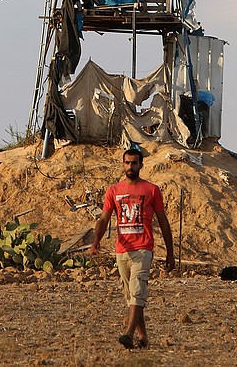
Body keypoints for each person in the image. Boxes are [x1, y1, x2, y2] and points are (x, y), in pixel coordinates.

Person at [90, 148, 175, 349]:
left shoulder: (151, 190)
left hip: (143, 248)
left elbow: (163, 221)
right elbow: (104, 218)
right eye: (127, 163)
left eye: (134, 163)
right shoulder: (113, 191)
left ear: (141, 165)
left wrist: (170, 253)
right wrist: (96, 241)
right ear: (123, 164)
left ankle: (128, 333)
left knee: (137, 292)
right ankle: (143, 337)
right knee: (130, 297)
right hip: (122, 250)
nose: (130, 166)